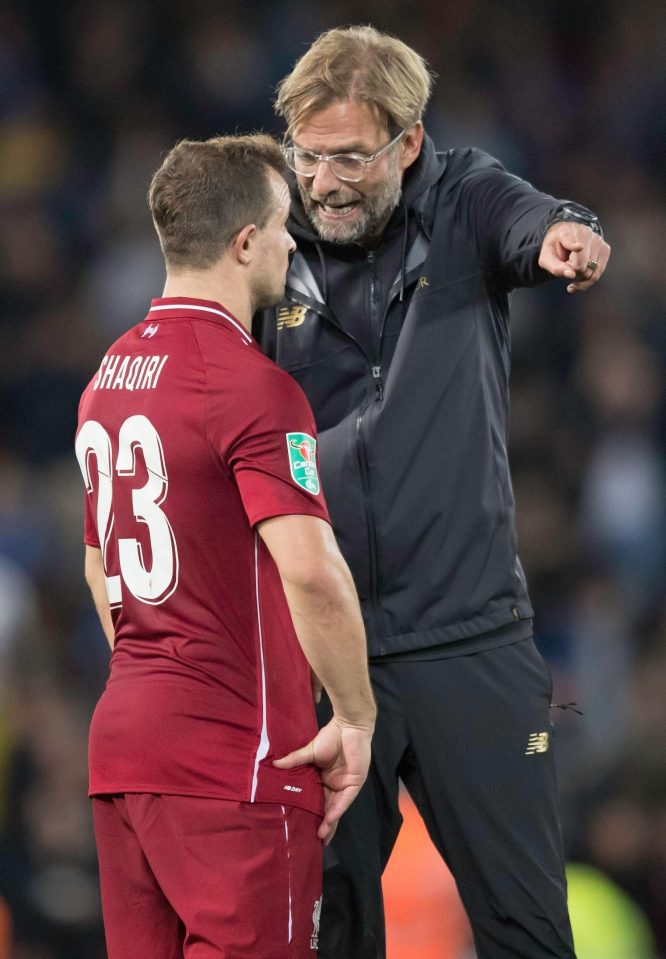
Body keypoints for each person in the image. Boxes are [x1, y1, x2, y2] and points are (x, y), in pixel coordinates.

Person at [253, 25, 611, 959]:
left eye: (350, 158)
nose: (323, 182)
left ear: (410, 144)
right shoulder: (261, 242)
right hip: (324, 651)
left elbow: (532, 219)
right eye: (308, 155)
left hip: (470, 639)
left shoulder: (463, 199)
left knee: (529, 932)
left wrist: (568, 236)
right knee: (327, 939)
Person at [74, 133, 376, 959]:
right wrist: (354, 715)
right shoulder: (252, 386)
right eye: (283, 226)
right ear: (245, 241)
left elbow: (101, 562)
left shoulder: (107, 378)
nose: (290, 243)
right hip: (235, 764)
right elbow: (312, 571)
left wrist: (165, 671)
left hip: (125, 753)